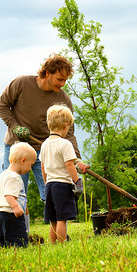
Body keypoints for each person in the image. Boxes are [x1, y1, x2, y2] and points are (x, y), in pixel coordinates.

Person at [0, 53, 89, 203]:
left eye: (65, 80)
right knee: (15, 193)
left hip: (45, 150)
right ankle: (19, 227)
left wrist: (76, 158)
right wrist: (15, 127)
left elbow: (69, 133)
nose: (63, 83)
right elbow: (1, 106)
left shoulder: (63, 99)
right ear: (47, 73)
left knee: (52, 194)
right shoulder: (22, 83)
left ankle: (55, 226)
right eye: (60, 79)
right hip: (17, 147)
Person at [0, 142, 37, 253]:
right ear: (23, 160)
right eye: (31, 165)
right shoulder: (15, 177)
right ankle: (17, 251)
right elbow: (9, 195)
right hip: (12, 213)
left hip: (0, 213)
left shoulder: (2, 175)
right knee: (19, 237)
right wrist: (16, 207)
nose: (30, 168)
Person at [40, 104, 80, 243]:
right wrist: (77, 181)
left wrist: (45, 184)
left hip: (50, 185)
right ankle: (62, 244)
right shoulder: (65, 144)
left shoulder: (44, 144)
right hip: (62, 185)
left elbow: (43, 167)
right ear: (66, 125)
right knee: (61, 218)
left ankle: (53, 244)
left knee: (53, 218)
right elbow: (69, 165)